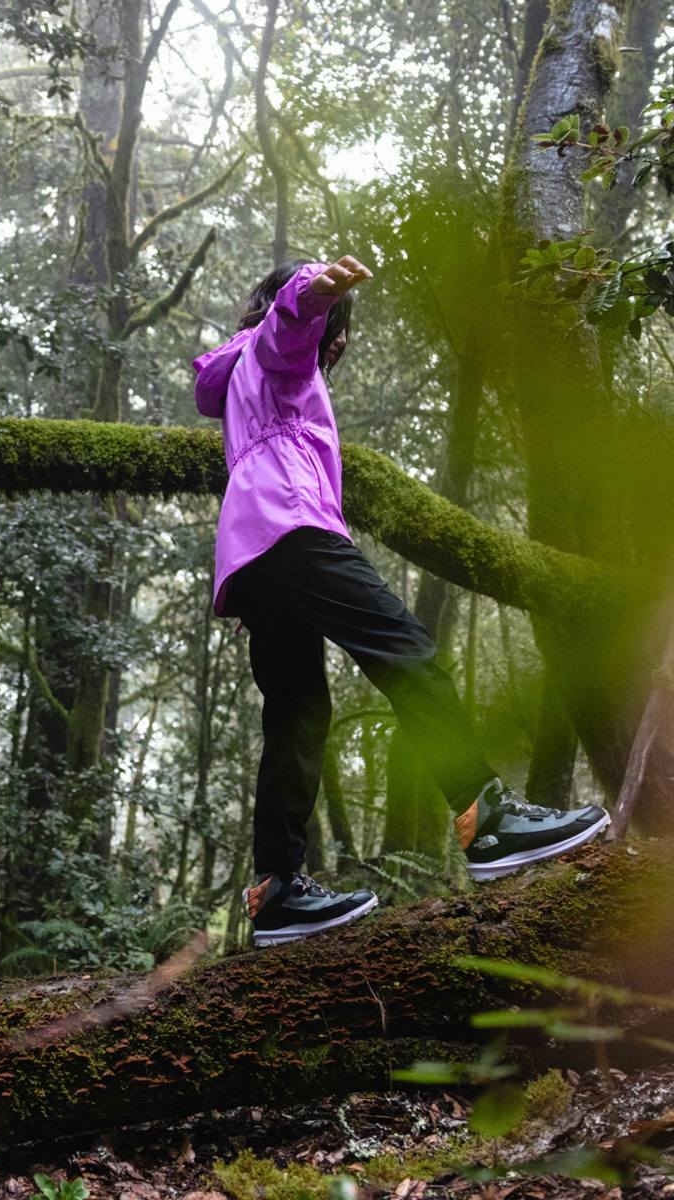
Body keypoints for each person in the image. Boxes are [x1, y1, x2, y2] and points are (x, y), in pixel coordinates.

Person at [192, 256, 610, 948]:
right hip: (291, 523)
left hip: (254, 550)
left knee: (298, 709)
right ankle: (486, 816)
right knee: (406, 651)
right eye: (340, 331)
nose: (343, 344)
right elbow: (287, 329)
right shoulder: (275, 351)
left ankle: (278, 889)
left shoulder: (240, 376)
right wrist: (313, 294)